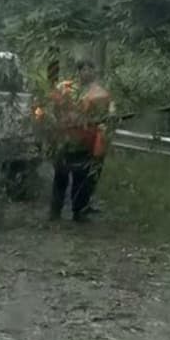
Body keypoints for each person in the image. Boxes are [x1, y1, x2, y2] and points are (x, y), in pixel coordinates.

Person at [47, 60, 114, 222]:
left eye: (89, 69)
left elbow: (108, 116)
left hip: (85, 141)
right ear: (78, 72)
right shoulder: (65, 89)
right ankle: (55, 211)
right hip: (64, 139)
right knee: (60, 176)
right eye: (83, 69)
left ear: (94, 72)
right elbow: (51, 107)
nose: (86, 72)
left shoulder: (100, 93)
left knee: (82, 178)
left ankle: (79, 211)